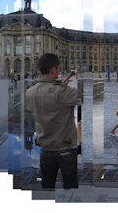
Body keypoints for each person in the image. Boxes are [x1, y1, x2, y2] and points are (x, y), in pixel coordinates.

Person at [26, 53, 79, 189]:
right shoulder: (62, 92)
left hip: (45, 149)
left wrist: (60, 84)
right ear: (53, 70)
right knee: (70, 187)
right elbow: (76, 96)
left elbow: (48, 93)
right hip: (65, 149)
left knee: (47, 187)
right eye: (58, 68)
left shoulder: (30, 91)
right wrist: (74, 80)